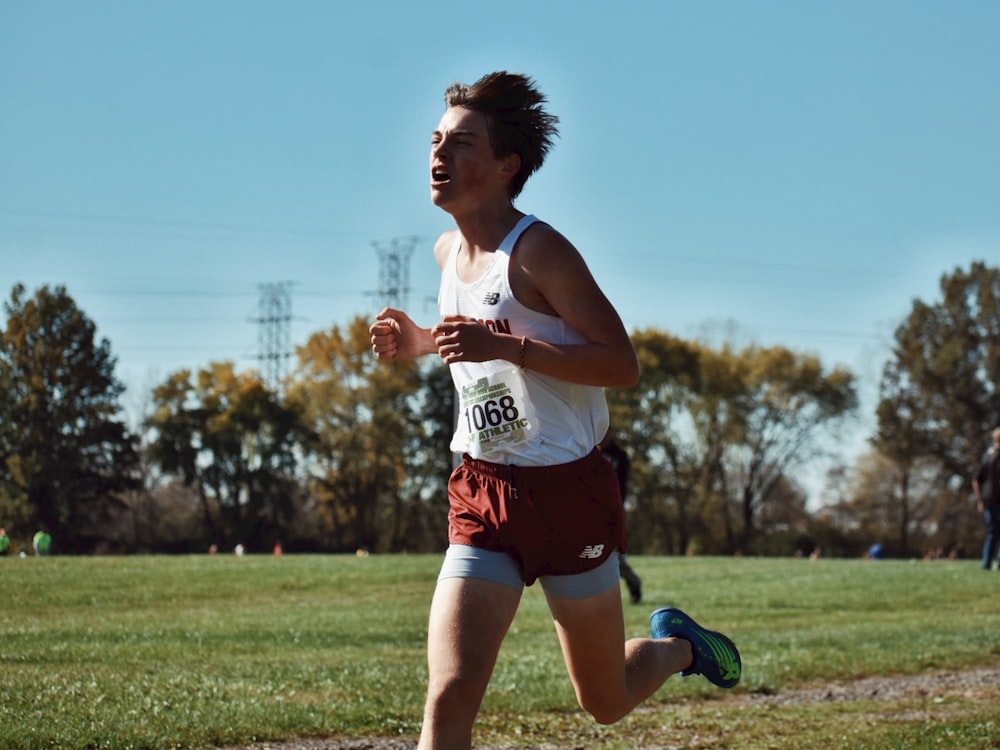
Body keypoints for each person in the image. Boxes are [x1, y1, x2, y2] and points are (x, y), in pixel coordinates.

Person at [369, 71, 740, 749]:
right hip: (482, 491)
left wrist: (507, 345)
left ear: (507, 165)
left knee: (604, 701)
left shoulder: (540, 252)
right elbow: (474, 338)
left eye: (461, 143)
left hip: (569, 493)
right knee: (449, 696)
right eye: (436, 140)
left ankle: (681, 647)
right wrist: (421, 342)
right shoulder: (448, 250)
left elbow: (618, 363)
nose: (438, 155)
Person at [599, 435, 643, 603]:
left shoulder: (619, 457)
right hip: (592, 511)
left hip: (611, 512)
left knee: (614, 555)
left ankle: (634, 583)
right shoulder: (590, 451)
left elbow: (618, 487)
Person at [973, 427, 1000, 571]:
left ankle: (986, 564)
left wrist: (980, 499)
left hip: (988, 499)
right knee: (994, 531)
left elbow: (976, 479)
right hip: (996, 499)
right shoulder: (996, 456)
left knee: (992, 532)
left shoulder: (987, 456)